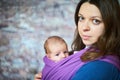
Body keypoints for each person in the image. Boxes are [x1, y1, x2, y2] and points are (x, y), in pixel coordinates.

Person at [35, 0, 120, 80]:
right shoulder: (79, 54)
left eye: (95, 21)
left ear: (111, 25)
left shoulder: (99, 67)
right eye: (81, 18)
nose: (84, 27)